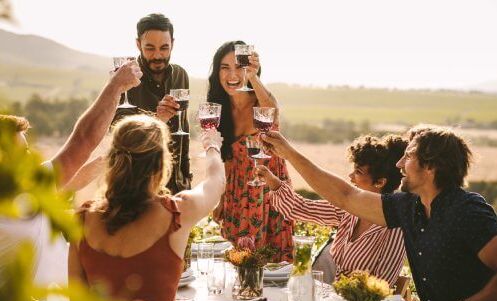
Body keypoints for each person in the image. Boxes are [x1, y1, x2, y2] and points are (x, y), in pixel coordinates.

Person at [261, 125, 497, 301]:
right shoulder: (408, 207)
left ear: (431, 166)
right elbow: (346, 195)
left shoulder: (467, 212)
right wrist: (288, 153)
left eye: (409, 156)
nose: (399, 164)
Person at [68, 115, 225, 301]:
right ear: (161, 163)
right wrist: (212, 146)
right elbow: (216, 181)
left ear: (113, 161)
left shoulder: (83, 219)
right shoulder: (178, 211)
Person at [0, 62, 142, 281]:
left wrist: (113, 156)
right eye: (22, 153)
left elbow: (71, 180)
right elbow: (83, 140)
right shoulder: (21, 198)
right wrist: (115, 86)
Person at [257, 135, 407, 286]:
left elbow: (381, 285)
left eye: (358, 172)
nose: (350, 177)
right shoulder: (349, 210)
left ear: (380, 182)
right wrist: (274, 182)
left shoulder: (395, 228)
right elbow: (301, 208)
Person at [208, 40, 293, 262]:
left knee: (273, 266)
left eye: (239, 67)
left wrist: (253, 77)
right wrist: (221, 199)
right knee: (241, 264)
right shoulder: (218, 107)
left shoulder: (261, 101)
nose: (232, 74)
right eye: (224, 67)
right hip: (237, 194)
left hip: (269, 192)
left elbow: (272, 111)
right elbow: (226, 158)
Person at [115, 13, 191, 194]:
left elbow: (183, 131)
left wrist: (186, 177)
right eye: (150, 48)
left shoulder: (181, 75)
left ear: (173, 43)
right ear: (138, 44)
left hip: (175, 186)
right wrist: (157, 119)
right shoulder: (123, 79)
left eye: (164, 47)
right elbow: (119, 139)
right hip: (136, 188)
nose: (158, 55)